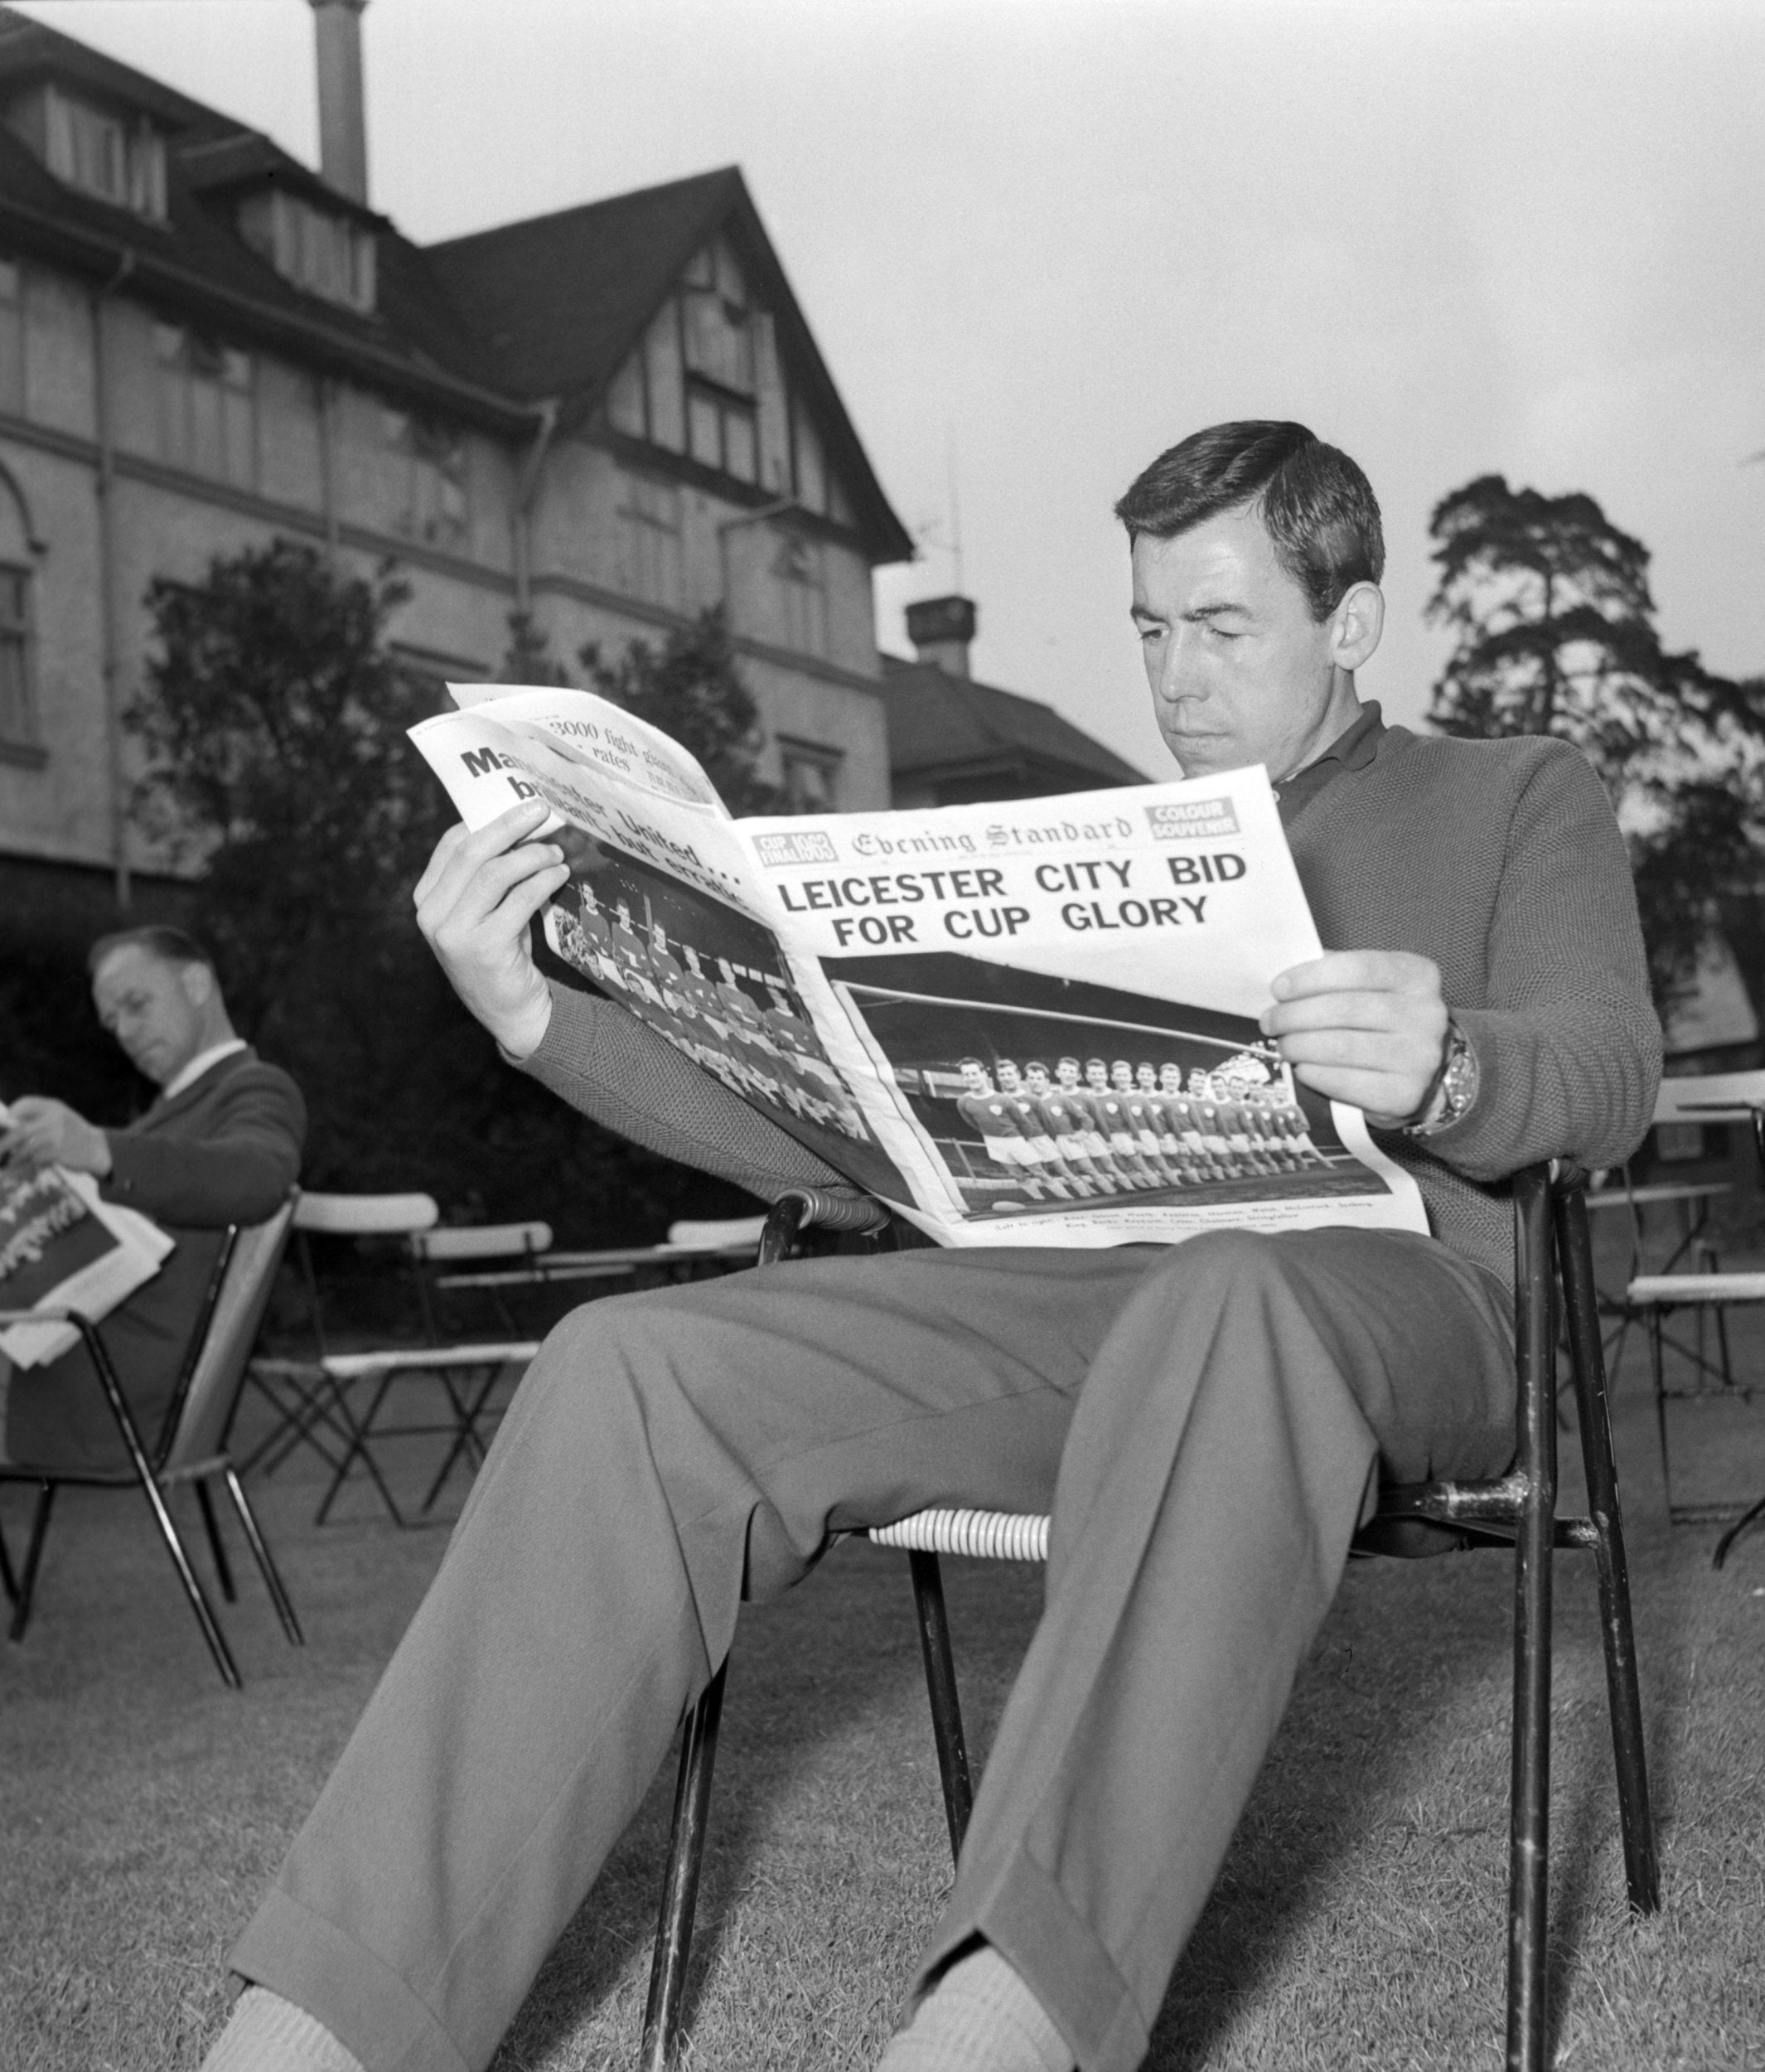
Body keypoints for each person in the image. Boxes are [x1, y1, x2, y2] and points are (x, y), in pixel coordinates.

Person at [201, 421, 1660, 2072]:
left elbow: (1610, 1072)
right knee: (642, 1361)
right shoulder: (1101, 844)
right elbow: (843, 1132)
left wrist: (1453, 1062)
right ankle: (330, 2012)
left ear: (1353, 619)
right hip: (1083, 1290)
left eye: (1224, 625)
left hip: (1412, 1300)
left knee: (1228, 1294)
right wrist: (535, 1011)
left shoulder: (1515, 792)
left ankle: (1010, 2015)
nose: (1177, 679)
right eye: (1149, 629)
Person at [0, 927, 306, 1469]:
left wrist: (97, 1150)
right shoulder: (161, 1120)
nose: (125, 1030)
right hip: (76, 1376)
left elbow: (260, 1178)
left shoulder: (254, 1087)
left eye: (135, 1003)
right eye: (113, 1020)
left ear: (195, 983)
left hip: (116, 1396)